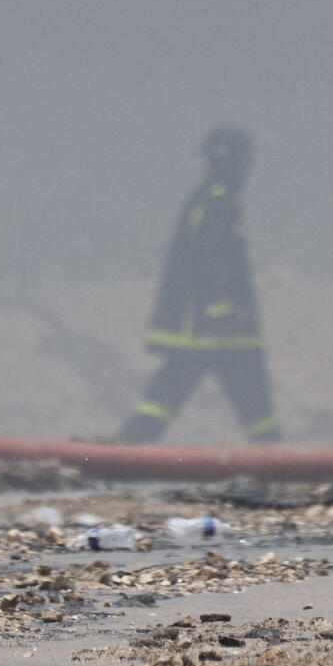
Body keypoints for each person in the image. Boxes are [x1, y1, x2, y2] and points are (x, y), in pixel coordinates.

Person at [117, 128, 277, 444]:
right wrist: (222, 308)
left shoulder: (207, 201)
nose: (246, 171)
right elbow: (212, 255)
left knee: (170, 390)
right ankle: (275, 459)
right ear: (234, 163)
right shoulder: (216, 204)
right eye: (244, 163)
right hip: (213, 327)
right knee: (250, 394)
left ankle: (127, 451)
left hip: (205, 328)